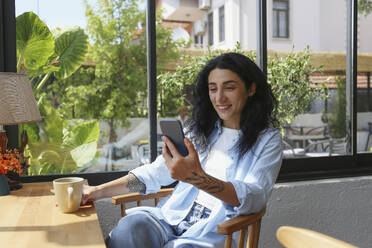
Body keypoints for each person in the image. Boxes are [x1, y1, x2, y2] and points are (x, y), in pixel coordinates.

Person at [82, 52, 283, 248]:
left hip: (216, 230)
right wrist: (97, 192)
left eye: (229, 88)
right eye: (213, 89)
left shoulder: (268, 140)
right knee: (131, 227)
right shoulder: (199, 130)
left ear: (251, 89)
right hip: (172, 216)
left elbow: (255, 196)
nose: (219, 97)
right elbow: (154, 174)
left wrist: (197, 178)